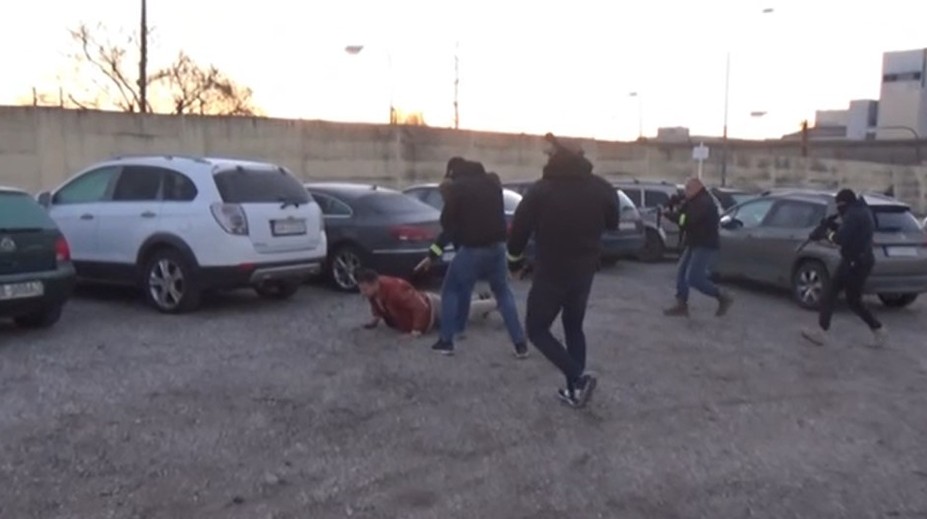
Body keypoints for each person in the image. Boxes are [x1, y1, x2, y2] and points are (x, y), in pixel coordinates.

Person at [506, 133, 619, 408]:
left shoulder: (541, 190)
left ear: (557, 157)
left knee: (536, 329)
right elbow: (613, 223)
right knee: (573, 326)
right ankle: (575, 390)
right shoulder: (602, 188)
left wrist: (514, 262)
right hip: (585, 270)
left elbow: (519, 231)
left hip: (552, 271)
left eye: (549, 153)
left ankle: (578, 378)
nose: (547, 156)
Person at [423, 157, 528, 357]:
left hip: (472, 249)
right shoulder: (492, 184)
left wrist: (433, 254)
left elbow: (447, 225)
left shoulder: (458, 188)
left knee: (450, 290)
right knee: (503, 292)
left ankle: (446, 341)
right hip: (498, 247)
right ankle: (520, 344)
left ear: (453, 172)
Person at [801, 189, 887, 347]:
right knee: (850, 300)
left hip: (854, 262)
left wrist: (826, 233)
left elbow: (841, 238)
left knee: (834, 296)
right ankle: (878, 329)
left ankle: (822, 333)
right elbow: (851, 232)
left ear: (843, 203)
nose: (838, 209)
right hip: (859, 260)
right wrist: (833, 225)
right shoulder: (862, 210)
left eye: (838, 206)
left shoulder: (853, 215)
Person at [662, 177, 734, 318]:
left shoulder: (704, 203)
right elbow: (685, 209)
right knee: (681, 272)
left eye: (688, 189)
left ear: (696, 188)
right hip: (695, 242)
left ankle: (722, 296)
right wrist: (674, 201)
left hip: (705, 244)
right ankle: (681, 304)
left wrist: (671, 216)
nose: (686, 192)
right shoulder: (696, 199)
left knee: (694, 278)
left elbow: (687, 220)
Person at [356, 268, 497, 337]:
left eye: (365, 289)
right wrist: (374, 320)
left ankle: (496, 303)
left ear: (375, 283)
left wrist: (416, 331)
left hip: (431, 308)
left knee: (463, 313)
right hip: (429, 304)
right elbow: (378, 306)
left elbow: (420, 307)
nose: (363, 293)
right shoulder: (374, 293)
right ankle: (482, 298)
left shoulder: (395, 290)